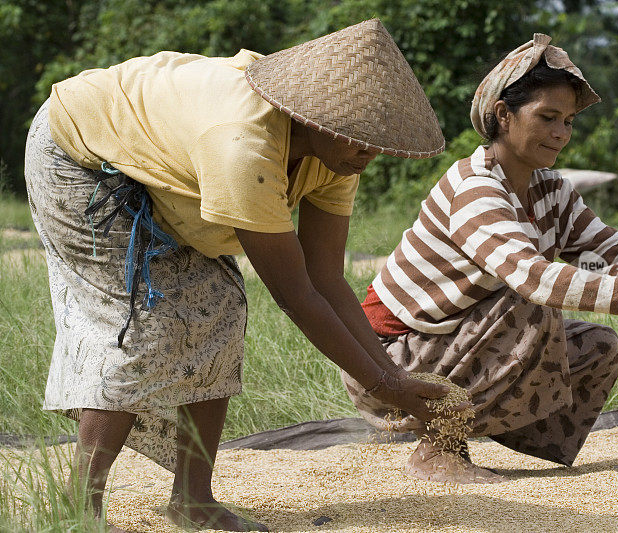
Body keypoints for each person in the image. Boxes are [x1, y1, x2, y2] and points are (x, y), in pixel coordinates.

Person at [25, 19, 461, 532]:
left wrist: (395, 378)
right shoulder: (242, 143)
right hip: (80, 153)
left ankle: (193, 500)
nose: (370, 151)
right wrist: (384, 386)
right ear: (312, 116)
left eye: (378, 138)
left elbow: (325, 277)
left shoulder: (338, 154)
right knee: (137, 324)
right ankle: (78, 507)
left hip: (164, 164)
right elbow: (296, 295)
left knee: (222, 308)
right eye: (359, 135)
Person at [342, 33, 618, 485]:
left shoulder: (550, 189)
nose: (561, 133)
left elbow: (613, 251)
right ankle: (438, 450)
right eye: (548, 117)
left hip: (448, 350)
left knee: (598, 348)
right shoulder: (474, 187)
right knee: (532, 301)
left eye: (569, 122)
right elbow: (533, 278)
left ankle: (493, 445)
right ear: (504, 115)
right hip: (386, 364)